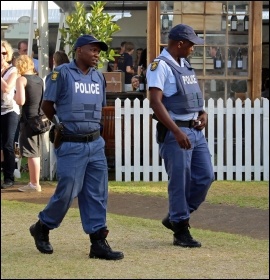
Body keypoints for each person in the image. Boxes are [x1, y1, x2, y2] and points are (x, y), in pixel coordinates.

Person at [28, 34, 124, 260]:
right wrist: (59, 128)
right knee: (68, 190)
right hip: (71, 143)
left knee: (97, 193)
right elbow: (47, 106)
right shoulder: (60, 74)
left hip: (95, 144)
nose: (96, 54)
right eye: (93, 50)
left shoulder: (98, 77)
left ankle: (98, 241)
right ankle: (43, 226)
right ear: (79, 50)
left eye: (98, 51)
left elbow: (100, 109)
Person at [146, 24, 215, 248]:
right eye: (192, 44)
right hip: (177, 132)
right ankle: (181, 230)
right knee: (180, 181)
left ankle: (177, 216)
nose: (194, 48)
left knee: (205, 176)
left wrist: (203, 114)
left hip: (195, 130)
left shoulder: (184, 64)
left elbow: (193, 95)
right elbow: (155, 102)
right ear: (180, 43)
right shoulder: (160, 66)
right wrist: (176, 131)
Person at [14, 55, 44, 192]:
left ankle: (34, 183)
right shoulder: (39, 79)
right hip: (39, 118)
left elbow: (20, 101)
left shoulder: (22, 79)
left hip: (28, 119)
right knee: (35, 151)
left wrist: (15, 96)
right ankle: (34, 182)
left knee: (31, 153)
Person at [1, 40, 20, 189]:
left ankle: (9, 177)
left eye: (3, 53)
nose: (1, 56)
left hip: (9, 110)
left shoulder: (12, 70)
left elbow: (7, 88)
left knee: (8, 144)